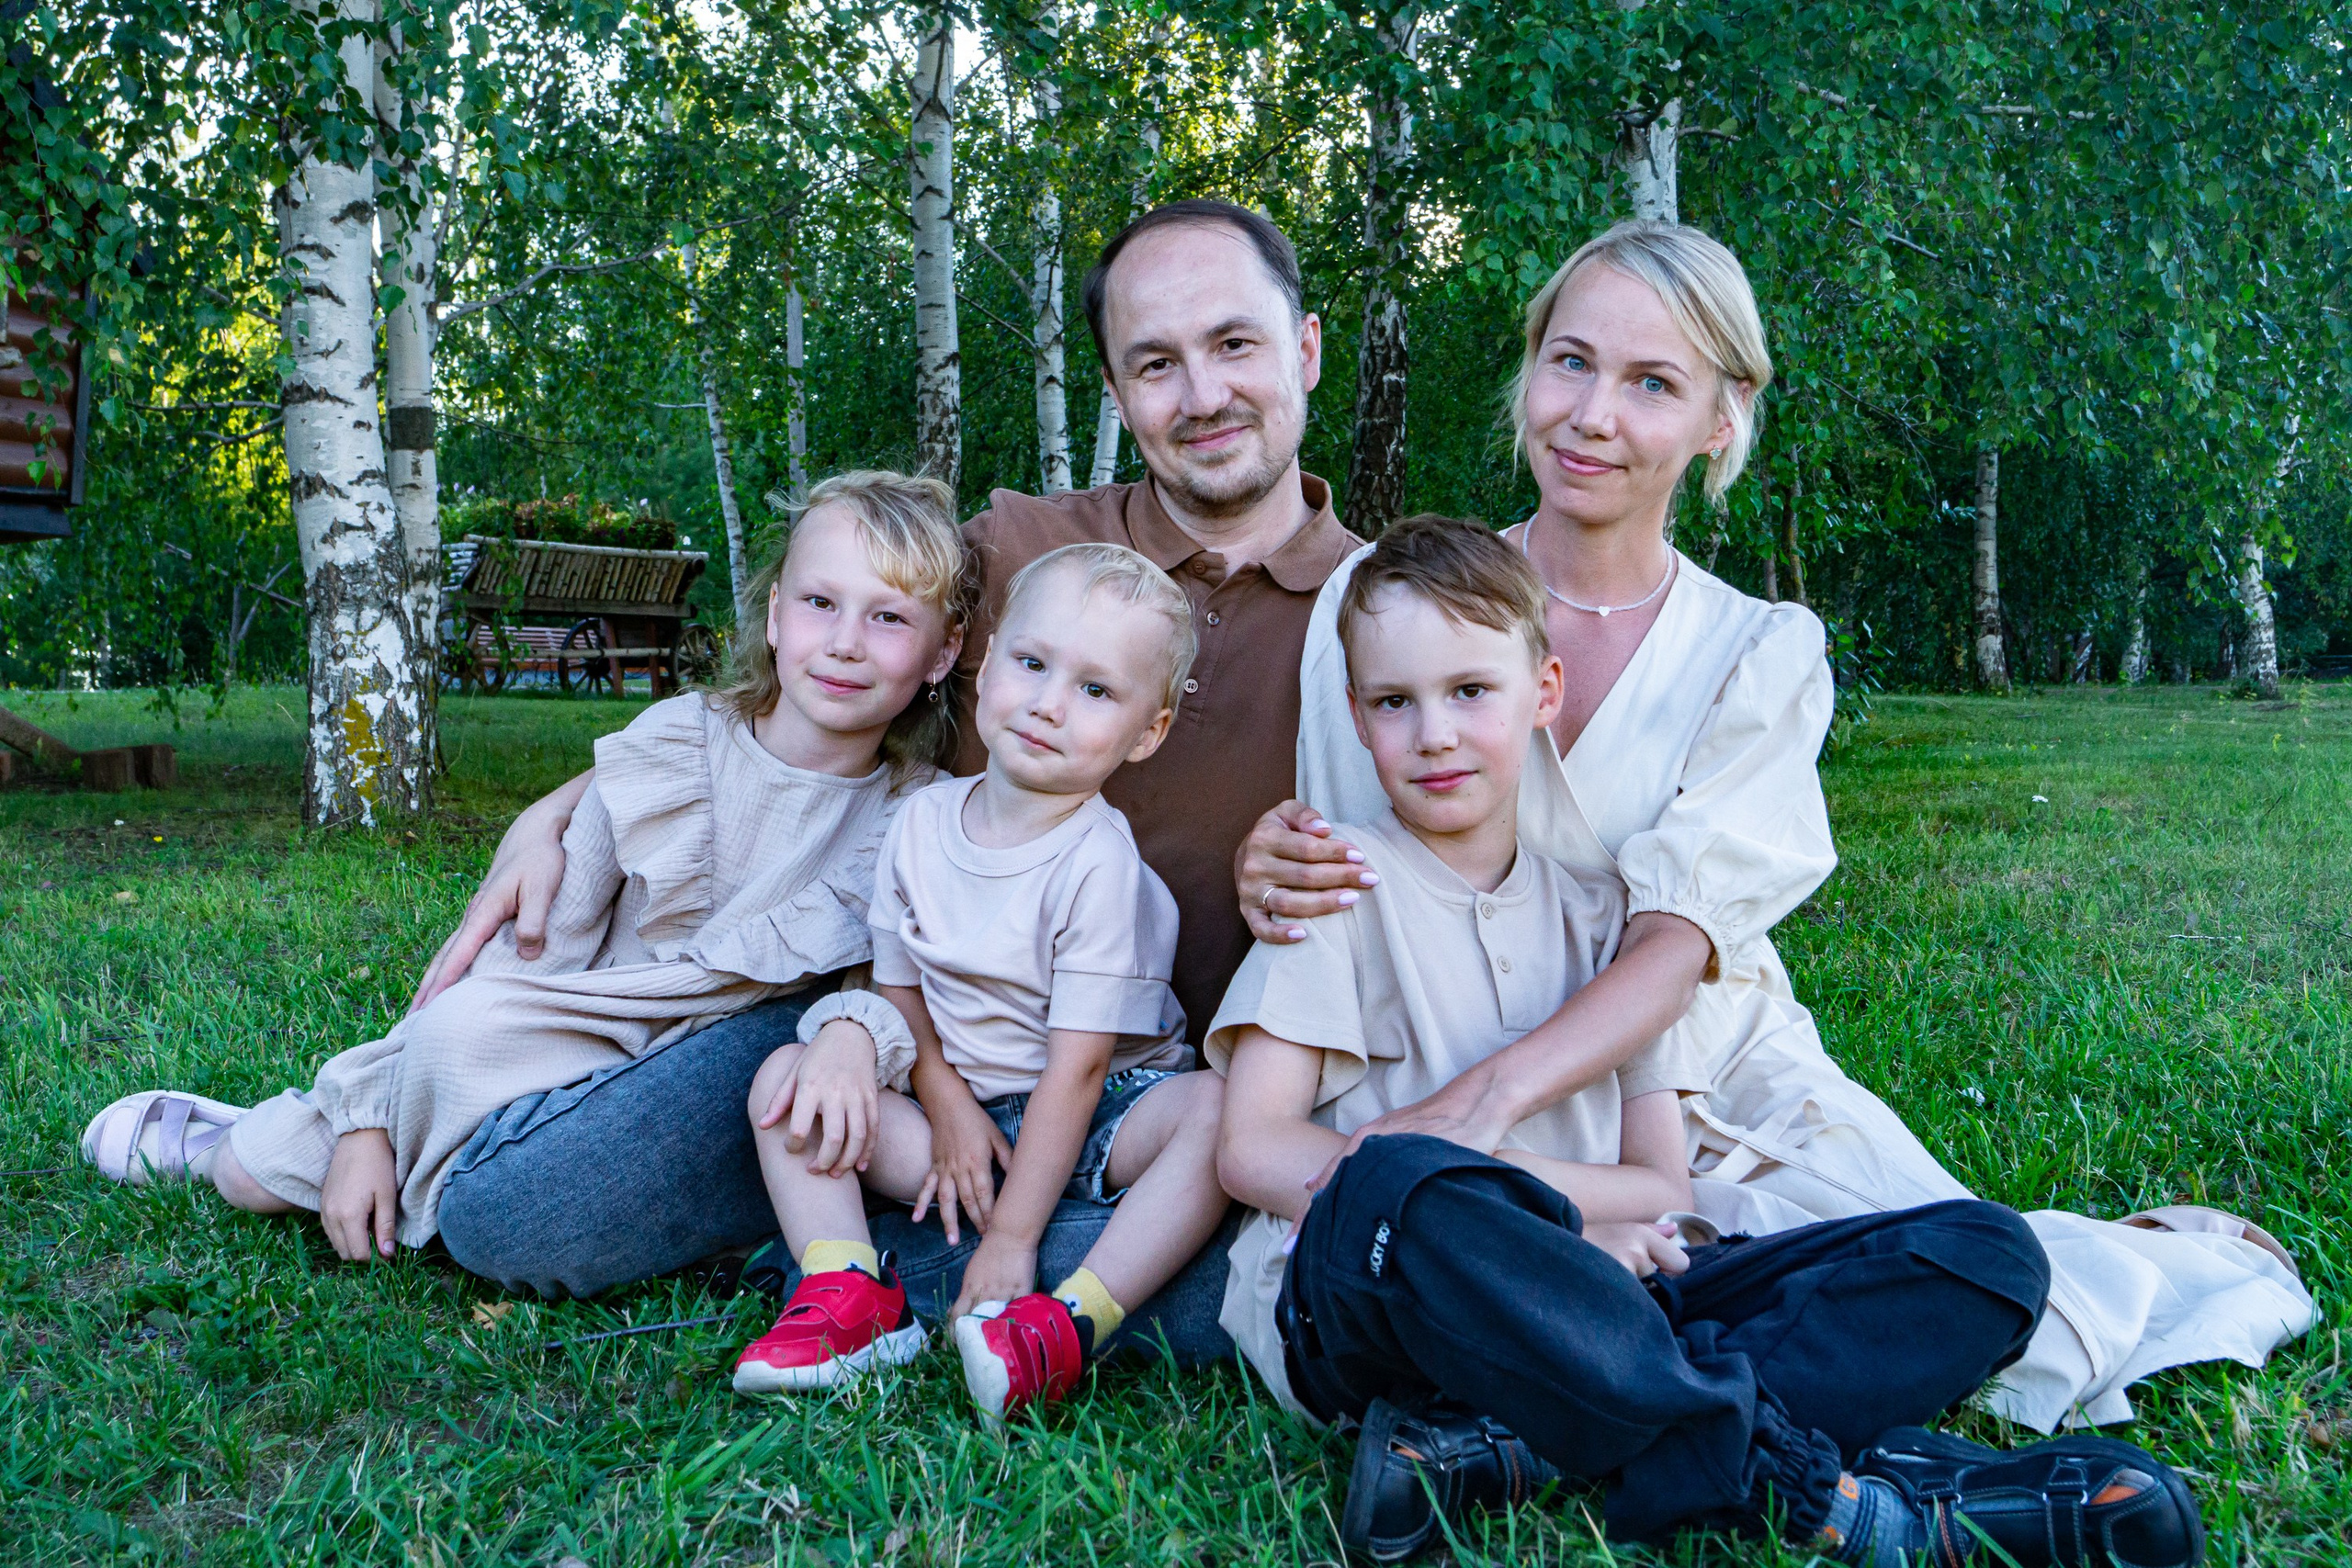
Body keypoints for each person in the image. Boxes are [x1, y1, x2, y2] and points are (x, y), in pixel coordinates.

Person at [1238, 220, 2313, 1433]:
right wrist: (1271, 860)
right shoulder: (1385, 598)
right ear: (1530, 366)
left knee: (1984, 1302)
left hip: (1695, 1063)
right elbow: (1343, 861)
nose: (1593, 414)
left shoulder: (1760, 651)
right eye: (1572, 361)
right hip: (1431, 1040)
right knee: (1503, 1282)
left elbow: (1674, 944)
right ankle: (1656, 1392)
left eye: (1653, 383)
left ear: (1721, 415)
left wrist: (1493, 1104)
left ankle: (2143, 1260)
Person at [407, 198, 1354, 1311]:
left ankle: (893, 1257)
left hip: (1144, 1085)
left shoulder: (1373, 618)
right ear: (1115, 391)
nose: (1201, 396)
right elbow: (826, 649)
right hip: (894, 1026)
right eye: (1155, 363)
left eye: (1234, 343)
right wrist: (575, 796)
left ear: (1305, 347)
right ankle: (1003, 1258)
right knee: (515, 1213)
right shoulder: (1018, 549)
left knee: (1235, 1202)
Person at [1213, 516, 2206, 1568]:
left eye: (1470, 691)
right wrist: (1535, 1233)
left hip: (1612, 1293)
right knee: (1397, 1181)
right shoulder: (1330, 889)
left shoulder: (1611, 919)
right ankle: (1835, 1503)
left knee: (1988, 1253)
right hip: (1383, 1295)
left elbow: (1656, 1188)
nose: (1435, 734)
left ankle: (1513, 1446)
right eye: (1393, 704)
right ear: (1357, 721)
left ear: (1543, 693)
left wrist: (1562, 1245)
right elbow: (1255, 1149)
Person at [77, 472, 970, 1265]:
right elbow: (538, 935)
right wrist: (371, 1111)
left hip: (712, 1084)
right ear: (775, 616)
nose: (847, 641)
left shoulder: (917, 813)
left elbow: (887, 982)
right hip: (583, 1030)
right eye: (821, 603)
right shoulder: (680, 743)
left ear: (942, 653)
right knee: (390, 1081)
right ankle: (283, 1129)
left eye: (889, 617)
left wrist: (855, 1033)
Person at [729, 544, 1229, 1416]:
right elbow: (902, 994)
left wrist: (1012, 1239)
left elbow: (1077, 1069)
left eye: (1096, 690)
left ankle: (1068, 1319)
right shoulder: (919, 824)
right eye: (1032, 664)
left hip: (1110, 1104)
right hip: (959, 1120)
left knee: (1221, 1111)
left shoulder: (1096, 864)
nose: (1047, 703)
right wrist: (950, 1106)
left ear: (1148, 732)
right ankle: (849, 1289)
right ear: (988, 662)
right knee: (782, 1084)